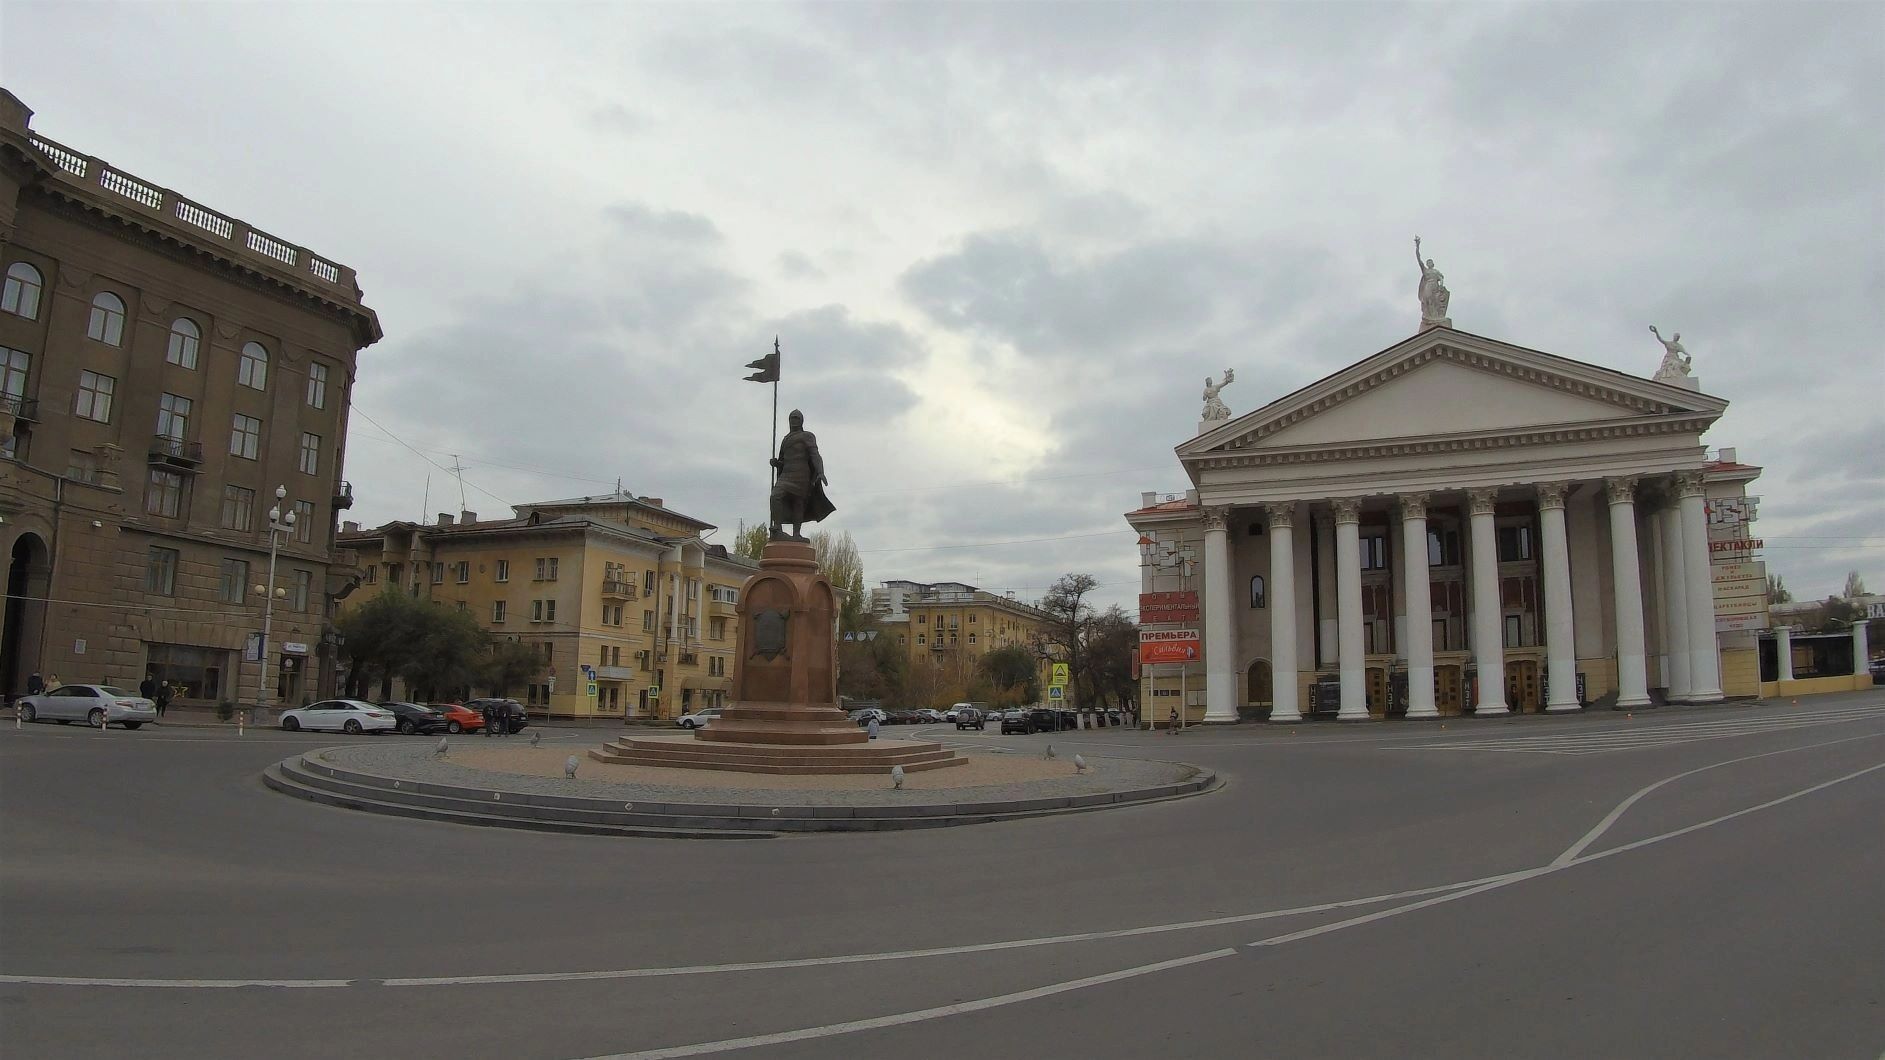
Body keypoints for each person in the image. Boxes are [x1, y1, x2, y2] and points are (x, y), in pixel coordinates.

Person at [769, 409, 836, 541]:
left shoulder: (807, 436)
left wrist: (821, 471)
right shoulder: (786, 439)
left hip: (801, 475)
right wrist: (777, 463)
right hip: (787, 474)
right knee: (775, 496)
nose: (794, 421)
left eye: (796, 418)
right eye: (792, 418)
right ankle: (777, 529)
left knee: (798, 503)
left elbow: (815, 454)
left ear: (801, 420)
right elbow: (783, 460)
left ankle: (796, 534)